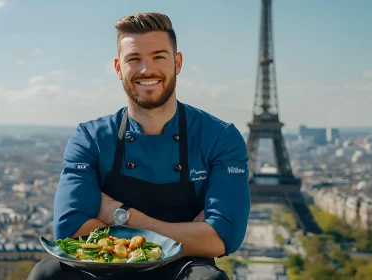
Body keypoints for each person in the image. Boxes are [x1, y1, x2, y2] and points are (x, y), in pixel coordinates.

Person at [29, 12, 250, 280]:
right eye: (134, 59)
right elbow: (69, 228)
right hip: (104, 268)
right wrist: (191, 234)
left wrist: (118, 214)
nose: (147, 70)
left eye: (159, 57)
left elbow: (222, 237)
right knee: (48, 273)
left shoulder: (219, 137)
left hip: (183, 271)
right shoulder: (90, 137)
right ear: (118, 67)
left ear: (177, 63)